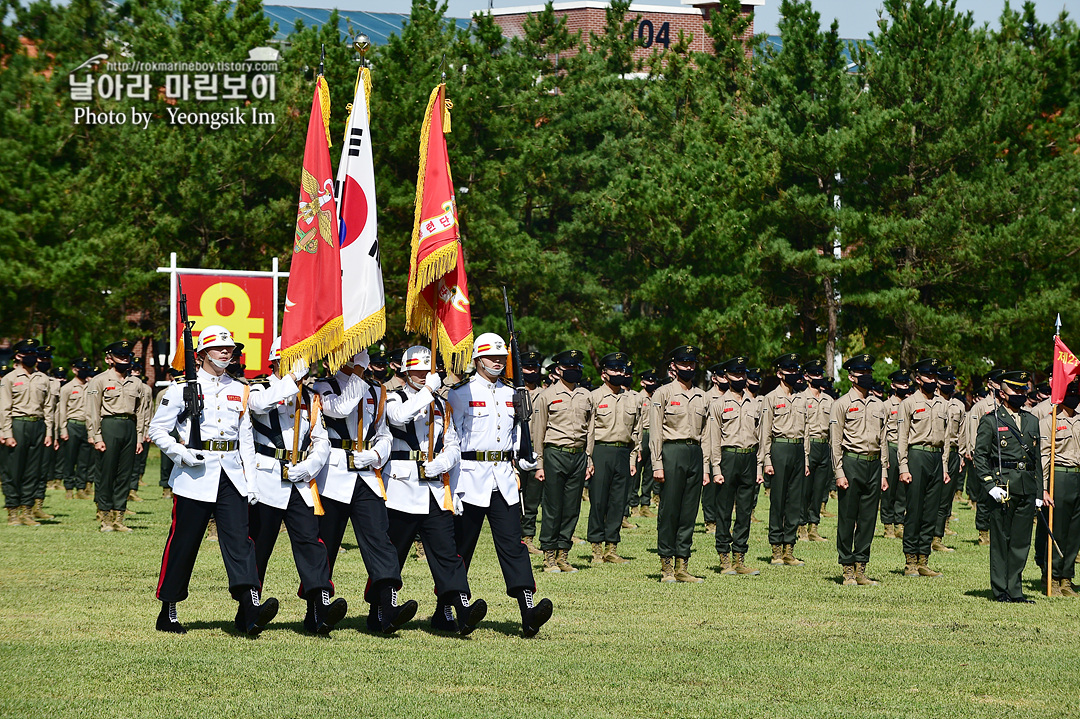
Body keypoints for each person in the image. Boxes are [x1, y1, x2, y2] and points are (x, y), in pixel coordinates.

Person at [150, 325, 278, 635]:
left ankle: (249, 608)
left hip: (230, 474)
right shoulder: (181, 389)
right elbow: (157, 431)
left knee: (241, 543)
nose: (226, 352)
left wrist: (251, 482)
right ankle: (169, 609)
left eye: (230, 348)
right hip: (195, 474)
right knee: (184, 543)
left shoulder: (240, 388)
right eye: (219, 349)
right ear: (203, 354)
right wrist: (180, 452)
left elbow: (245, 440)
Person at [447, 333, 553, 637]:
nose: (497, 362)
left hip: (503, 479)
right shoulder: (460, 393)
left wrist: (525, 456)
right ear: (478, 360)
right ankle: (455, 606)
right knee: (460, 548)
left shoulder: (512, 394)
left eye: (501, 358)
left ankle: (527, 609)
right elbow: (451, 436)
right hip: (469, 477)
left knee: (513, 546)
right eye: (491, 357)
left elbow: (516, 434)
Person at [243, 338, 346, 635]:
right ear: (276, 363)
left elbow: (321, 439)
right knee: (259, 545)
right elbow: (260, 405)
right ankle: (249, 608)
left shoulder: (309, 396)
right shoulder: (260, 389)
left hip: (300, 479)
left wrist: (309, 466)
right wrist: (291, 378)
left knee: (311, 544)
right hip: (267, 478)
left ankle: (320, 605)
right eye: (291, 363)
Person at [312, 350, 418, 635]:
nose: (361, 361)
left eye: (361, 357)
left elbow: (384, 433)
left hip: (367, 476)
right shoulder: (324, 386)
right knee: (326, 544)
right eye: (353, 357)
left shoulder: (377, 390)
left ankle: (387, 607)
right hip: (333, 475)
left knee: (380, 542)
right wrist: (357, 374)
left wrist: (374, 454)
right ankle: (318, 607)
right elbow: (342, 409)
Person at [383, 345, 487, 635]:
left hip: (433, 490)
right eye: (417, 370)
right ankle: (381, 608)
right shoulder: (393, 396)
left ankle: (461, 607)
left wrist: (443, 460)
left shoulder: (442, 404)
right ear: (405, 371)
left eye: (428, 370)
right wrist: (427, 392)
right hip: (402, 487)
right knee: (393, 553)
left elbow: (453, 443)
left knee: (447, 553)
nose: (423, 374)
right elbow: (399, 417)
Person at [973, 370, 1042, 603]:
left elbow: (1037, 461)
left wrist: (1039, 492)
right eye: (1016, 390)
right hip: (1003, 486)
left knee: (1021, 542)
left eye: (1024, 390)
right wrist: (990, 485)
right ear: (1002, 394)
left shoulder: (1032, 420)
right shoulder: (991, 420)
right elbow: (980, 457)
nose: (1021, 394)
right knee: (1001, 540)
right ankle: (1000, 589)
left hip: (1026, 487)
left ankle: (1015, 589)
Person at [649, 345, 711, 583]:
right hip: (671, 452)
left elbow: (706, 434)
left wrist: (706, 468)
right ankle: (666, 565)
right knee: (670, 511)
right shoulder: (663, 393)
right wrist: (657, 463)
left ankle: (682, 565)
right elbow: (655, 431)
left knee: (688, 512)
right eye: (684, 363)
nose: (689, 367)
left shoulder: (702, 396)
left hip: (694, 453)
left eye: (692, 363)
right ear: (674, 366)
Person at [830, 354, 889, 586]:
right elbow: (835, 441)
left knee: (868, 519)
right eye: (862, 373)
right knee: (847, 516)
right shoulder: (841, 404)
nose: (867, 377)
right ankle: (847, 567)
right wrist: (839, 472)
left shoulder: (879, 405)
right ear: (851, 376)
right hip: (851, 463)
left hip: (874, 464)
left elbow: (883, 440)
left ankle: (861, 567)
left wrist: (884, 472)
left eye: (869, 373)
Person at [533, 349, 592, 573]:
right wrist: (539, 463)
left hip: (578, 455)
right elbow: (538, 431)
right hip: (554, 453)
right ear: (559, 369)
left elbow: (591, 430)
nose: (574, 371)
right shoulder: (546, 396)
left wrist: (589, 457)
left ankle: (563, 554)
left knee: (571, 507)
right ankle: (548, 554)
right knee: (552, 506)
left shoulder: (586, 395)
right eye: (569, 367)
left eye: (577, 368)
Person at [706, 355, 762, 576]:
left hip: (749, 458)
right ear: (726, 376)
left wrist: (759, 466)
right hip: (728, 458)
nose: (739, 377)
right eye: (735, 373)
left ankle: (740, 557)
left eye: (742, 373)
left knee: (745, 511)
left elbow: (760, 437)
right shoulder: (719, 404)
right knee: (724, 511)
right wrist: (716, 468)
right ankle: (724, 558)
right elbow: (713, 438)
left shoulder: (755, 404)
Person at [896, 358, 951, 578]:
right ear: (918, 379)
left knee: (930, 512)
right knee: (915, 511)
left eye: (934, 376)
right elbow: (902, 437)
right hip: (917, 456)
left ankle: (923, 559)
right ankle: (910, 560)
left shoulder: (943, 404)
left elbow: (946, 439)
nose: (932, 380)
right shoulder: (908, 404)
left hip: (936, 459)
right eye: (928, 376)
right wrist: (903, 466)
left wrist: (945, 467)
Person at [85, 340, 148, 532]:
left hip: (129, 427)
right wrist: (96, 436)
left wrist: (139, 438)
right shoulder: (100, 380)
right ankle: (105, 517)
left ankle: (119, 516)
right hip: (109, 426)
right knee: (106, 474)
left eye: (126, 356)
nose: (124, 358)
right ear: (109, 358)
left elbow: (141, 413)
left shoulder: (136, 382)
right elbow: (92, 411)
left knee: (125, 475)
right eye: (120, 355)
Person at [584, 352, 640, 564]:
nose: (618, 373)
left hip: (623, 452)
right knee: (598, 500)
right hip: (601, 450)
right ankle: (596, 548)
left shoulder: (632, 399)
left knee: (618, 502)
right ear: (603, 373)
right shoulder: (594, 397)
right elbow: (588, 431)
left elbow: (635, 432)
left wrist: (633, 458)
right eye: (614, 369)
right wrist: (588, 458)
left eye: (621, 370)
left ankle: (611, 547)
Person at [758, 353, 810, 567]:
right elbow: (765, 432)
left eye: (795, 370)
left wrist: (806, 459)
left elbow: (806, 430)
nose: (794, 374)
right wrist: (766, 460)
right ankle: (776, 549)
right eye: (789, 371)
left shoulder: (802, 398)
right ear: (780, 374)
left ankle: (790, 547)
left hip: (798, 450)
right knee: (777, 501)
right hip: (779, 449)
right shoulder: (771, 398)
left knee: (795, 502)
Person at [0, 339, 51, 526]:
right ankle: (12, 510)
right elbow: (4, 408)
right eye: (26, 354)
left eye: (33, 354)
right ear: (18, 356)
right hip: (17, 425)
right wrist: (7, 433)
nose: (30, 357)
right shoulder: (9, 379)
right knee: (13, 470)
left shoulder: (43, 379)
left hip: (38, 426)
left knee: (33, 471)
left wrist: (49, 433)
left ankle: (27, 510)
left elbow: (48, 409)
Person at [1039, 379, 1080, 596]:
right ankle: (1052, 577)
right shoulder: (1050, 420)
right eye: (1070, 391)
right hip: (1060, 478)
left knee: (1075, 533)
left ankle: (1067, 578)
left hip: (1078, 476)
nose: (1074, 395)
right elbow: (1045, 456)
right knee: (1058, 531)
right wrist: (1044, 487)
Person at [967, 370, 1005, 546]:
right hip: (985, 457)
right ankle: (983, 532)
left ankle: (999, 530)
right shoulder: (981, 406)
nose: (1000, 385)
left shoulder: (1006, 404)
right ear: (990, 384)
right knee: (984, 495)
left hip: (1002, 457)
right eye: (997, 382)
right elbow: (973, 430)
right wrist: (974, 454)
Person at [801, 359, 833, 543]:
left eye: (820, 374)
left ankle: (814, 526)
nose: (818, 377)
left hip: (824, 445)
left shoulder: (829, 400)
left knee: (820, 488)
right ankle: (801, 526)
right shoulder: (801, 398)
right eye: (815, 374)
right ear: (806, 377)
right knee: (804, 489)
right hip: (808, 445)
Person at [934, 365, 964, 551]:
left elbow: (961, 433)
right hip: (935, 453)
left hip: (952, 453)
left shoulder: (958, 405)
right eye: (945, 381)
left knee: (946, 498)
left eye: (951, 381)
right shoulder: (933, 402)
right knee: (930, 497)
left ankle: (937, 537)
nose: (949, 385)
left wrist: (961, 455)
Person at [518, 350, 545, 554]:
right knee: (514, 497)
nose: (531, 371)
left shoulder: (545, 394)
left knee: (532, 499)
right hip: (516, 451)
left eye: (534, 368)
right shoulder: (513, 391)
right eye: (528, 367)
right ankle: (514, 537)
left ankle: (528, 537)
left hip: (537, 451)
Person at [58, 356, 94, 500]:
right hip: (72, 425)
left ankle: (81, 488)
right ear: (74, 370)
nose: (84, 371)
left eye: (86, 369)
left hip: (87, 426)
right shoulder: (67, 388)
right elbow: (62, 410)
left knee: (84, 460)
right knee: (70, 459)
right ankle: (68, 487)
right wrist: (63, 429)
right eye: (81, 369)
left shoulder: (92, 387)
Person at [880, 371, 910, 539]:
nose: (904, 385)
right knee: (889, 488)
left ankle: (900, 522)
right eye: (901, 383)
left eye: (906, 382)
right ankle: (888, 524)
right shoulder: (886, 406)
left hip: (905, 449)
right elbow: (882, 432)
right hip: (891, 447)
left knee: (903, 489)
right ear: (893, 385)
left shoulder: (909, 404)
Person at [629, 369, 662, 518]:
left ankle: (645, 504)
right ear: (642, 382)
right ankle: (633, 505)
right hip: (641, 436)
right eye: (649, 381)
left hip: (653, 435)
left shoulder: (656, 397)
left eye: (653, 381)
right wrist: (637, 444)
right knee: (636, 474)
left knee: (649, 472)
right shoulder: (638, 397)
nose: (652, 384)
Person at [127, 359, 153, 504]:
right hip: (128, 426)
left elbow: (148, 411)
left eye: (138, 370)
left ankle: (133, 490)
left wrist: (147, 430)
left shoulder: (146, 389)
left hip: (142, 429)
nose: (136, 372)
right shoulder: (127, 385)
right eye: (134, 369)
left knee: (137, 462)